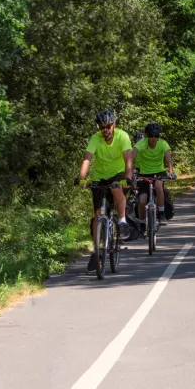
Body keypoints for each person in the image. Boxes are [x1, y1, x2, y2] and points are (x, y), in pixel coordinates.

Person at [76, 110, 133, 270]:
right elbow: (87, 159)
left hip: (118, 174)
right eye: (102, 127)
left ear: (114, 125)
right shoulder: (96, 138)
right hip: (100, 177)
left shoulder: (123, 136)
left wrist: (128, 178)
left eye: (108, 126)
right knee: (97, 215)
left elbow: (128, 159)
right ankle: (96, 249)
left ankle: (122, 221)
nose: (105, 130)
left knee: (116, 188)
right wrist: (82, 178)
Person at [132, 122, 176, 225]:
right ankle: (142, 223)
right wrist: (129, 172)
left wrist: (170, 172)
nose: (153, 138)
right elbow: (131, 159)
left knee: (158, 186)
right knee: (142, 201)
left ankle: (161, 213)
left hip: (159, 172)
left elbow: (168, 160)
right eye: (151, 135)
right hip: (144, 173)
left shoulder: (163, 144)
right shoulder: (141, 144)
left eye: (156, 136)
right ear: (147, 135)